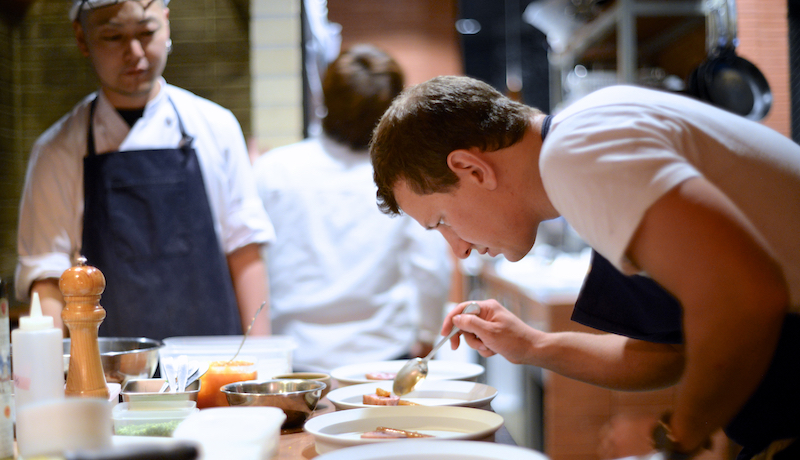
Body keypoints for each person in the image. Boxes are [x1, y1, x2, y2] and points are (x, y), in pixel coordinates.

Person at [370, 75, 800, 460]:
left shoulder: (579, 152)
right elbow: (672, 352)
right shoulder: (587, 142)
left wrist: (680, 441)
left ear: (471, 168)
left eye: (441, 221)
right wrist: (532, 346)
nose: (459, 250)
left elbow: (744, 300)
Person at [15, 0, 275, 340]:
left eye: (147, 32)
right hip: (108, 377)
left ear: (166, 24)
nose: (134, 51)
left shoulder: (217, 126)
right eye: (112, 37)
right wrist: (54, 374)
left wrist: (260, 362)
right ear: (82, 38)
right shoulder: (57, 152)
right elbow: (47, 278)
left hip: (215, 367)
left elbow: (244, 250)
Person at [252, 44, 453, 372]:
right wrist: (429, 333)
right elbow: (430, 267)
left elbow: (249, 263)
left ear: (323, 98)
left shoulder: (273, 170)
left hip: (294, 363)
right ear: (391, 109)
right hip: (383, 359)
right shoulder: (405, 180)